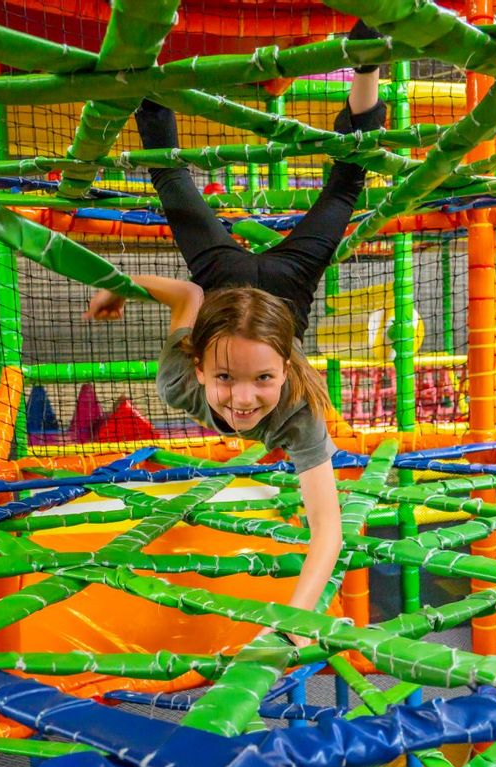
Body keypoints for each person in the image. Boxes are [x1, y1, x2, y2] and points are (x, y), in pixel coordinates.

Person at [85, 24, 386, 644]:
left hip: (223, 282)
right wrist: (118, 287)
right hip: (286, 284)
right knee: (347, 183)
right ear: (201, 368)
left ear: (284, 368)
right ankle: (367, 66)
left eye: (260, 380)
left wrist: (294, 623)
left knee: (172, 183)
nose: (243, 399)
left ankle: (149, 63)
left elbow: (191, 295)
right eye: (225, 378)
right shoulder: (293, 411)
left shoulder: (185, 385)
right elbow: (325, 529)